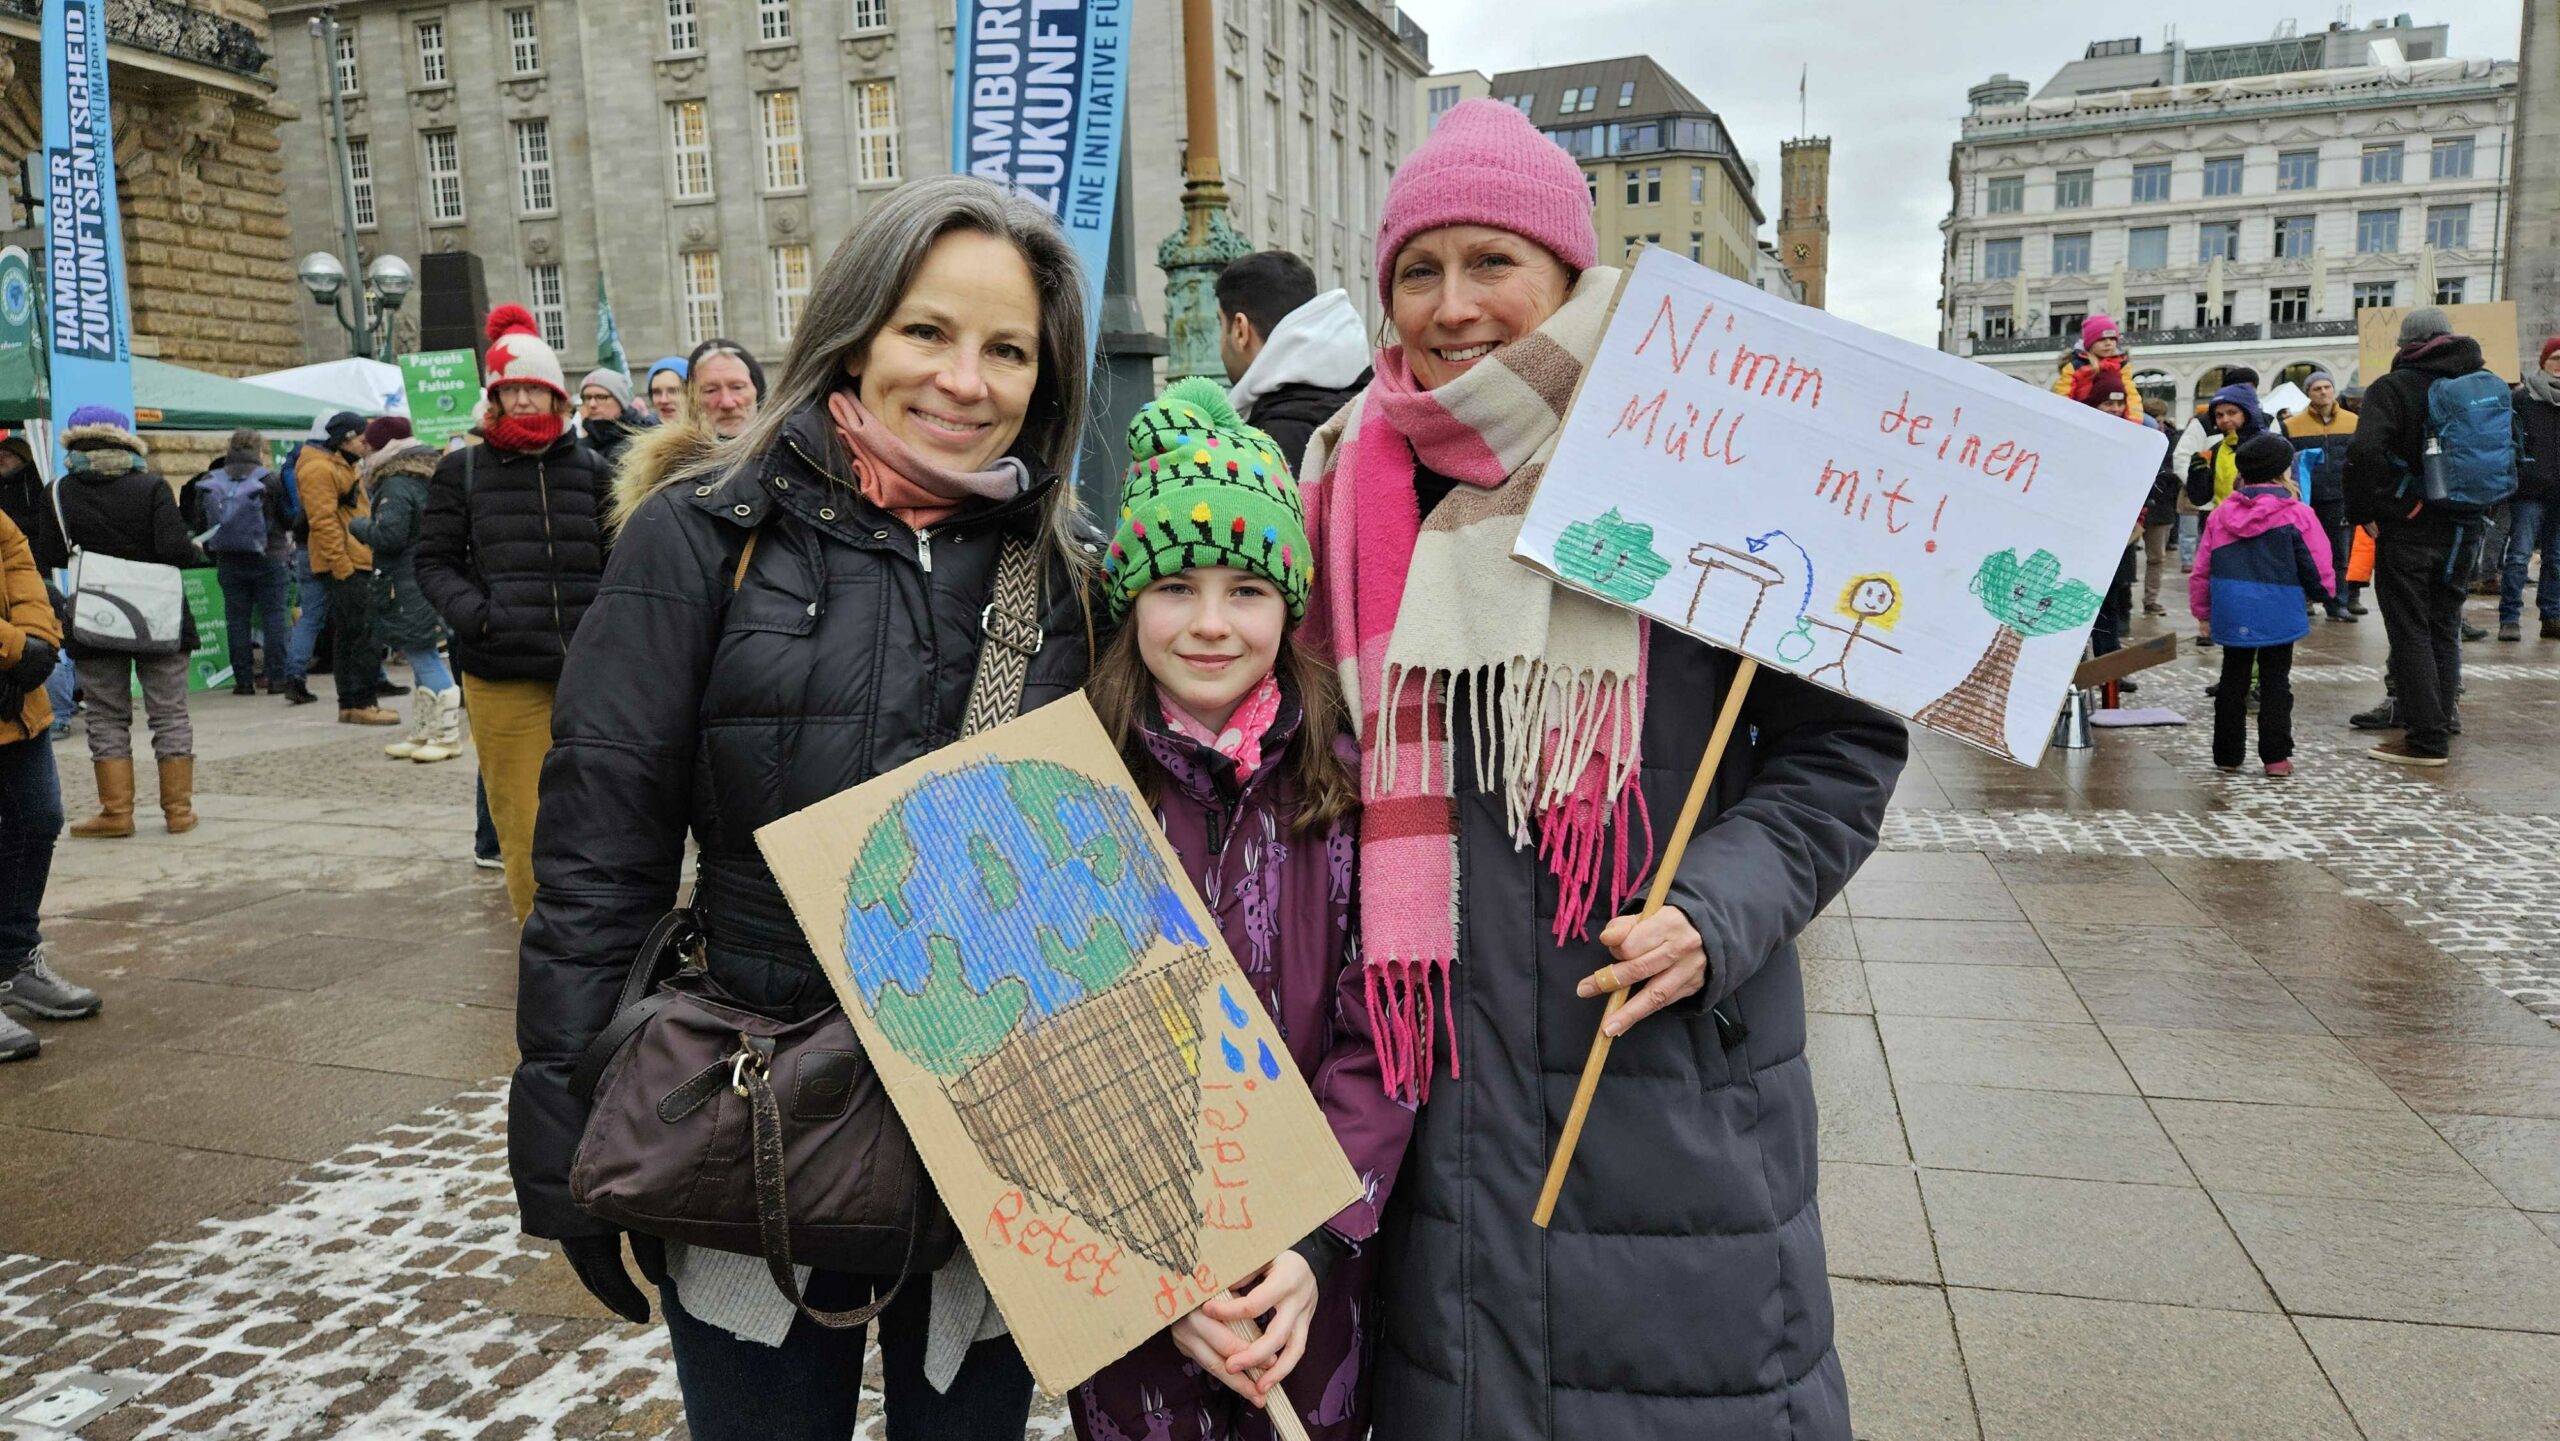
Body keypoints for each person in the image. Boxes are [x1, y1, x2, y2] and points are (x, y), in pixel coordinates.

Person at [1297, 99, 1906, 1440]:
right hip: (1431, 1096)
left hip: (1664, 1083)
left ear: (1570, 274)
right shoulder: (1344, 478)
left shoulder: (1705, 455)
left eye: (1492, 262)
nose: (1453, 306)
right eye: (1418, 268)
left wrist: (1716, 909)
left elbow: (1841, 745)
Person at [515, 175, 1100, 1441]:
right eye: (927, 332)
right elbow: (598, 864)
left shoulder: (1063, 574)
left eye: (1008, 351)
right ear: (855, 329)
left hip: (984, 1132)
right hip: (753, 1115)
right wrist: (564, 1136)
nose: (964, 380)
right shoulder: (697, 538)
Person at [1069, 380, 1411, 1440]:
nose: (1210, 624)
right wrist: (1153, 1273)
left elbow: (1382, 1035)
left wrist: (1314, 1246)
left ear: (1288, 604)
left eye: (1247, 590)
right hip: (1133, 1285)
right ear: (1132, 598)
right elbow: (1045, 1054)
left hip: (1307, 1283)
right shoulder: (1070, 787)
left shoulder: (1349, 791)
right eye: (1175, 586)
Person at [413, 305, 611, 922]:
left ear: (557, 396)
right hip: (503, 676)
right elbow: (434, 562)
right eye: (511, 388)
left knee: (598, 818)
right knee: (523, 822)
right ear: (494, 398)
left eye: (536, 387)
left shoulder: (594, 471)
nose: (524, 399)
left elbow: (620, 561)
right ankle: (544, 941)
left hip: (590, 676)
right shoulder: (462, 470)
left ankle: (601, 939)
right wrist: (480, 616)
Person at [2346, 306, 2510, 766]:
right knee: (2444, 626)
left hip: (2411, 527)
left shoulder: (2394, 387)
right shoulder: (2482, 382)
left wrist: (2375, 508)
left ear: (2405, 344)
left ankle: (2426, 740)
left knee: (2410, 631)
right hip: (2467, 525)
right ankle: (2444, 716)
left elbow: (2363, 452)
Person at [53, 407, 205, 837]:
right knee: (170, 713)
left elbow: (48, 554)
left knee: (105, 715)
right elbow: (176, 550)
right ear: (125, 439)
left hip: (95, 618)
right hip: (159, 616)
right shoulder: (152, 486)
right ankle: (178, 812)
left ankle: (117, 813)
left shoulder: (60, 491)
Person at [0, 505, 98, 1059]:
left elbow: (23, 573)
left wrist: (37, 647)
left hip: (16, 701)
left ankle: (13, 961)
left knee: (36, 820)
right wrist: (15, 651)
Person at [2191, 434, 2334, 777]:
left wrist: (2203, 612)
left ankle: (2227, 754)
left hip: (2233, 605)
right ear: (2283, 471)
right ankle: (2276, 757)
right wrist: (2324, 592)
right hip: (2279, 605)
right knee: (2275, 681)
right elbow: (2317, 560)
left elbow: (2202, 568)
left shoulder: (2221, 514)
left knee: (2232, 679)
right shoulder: (2298, 513)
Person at [350, 426, 462, 764]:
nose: (364, 451)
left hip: (406, 580)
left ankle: (446, 734)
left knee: (423, 654)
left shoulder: (396, 482)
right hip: (419, 576)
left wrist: (357, 526)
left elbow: (391, 535)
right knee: (418, 656)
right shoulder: (422, 474)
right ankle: (425, 730)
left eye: (369, 444)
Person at [282, 411, 397, 722]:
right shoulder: (319, 468)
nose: (365, 444)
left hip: (355, 556)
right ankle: (361, 702)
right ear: (346, 438)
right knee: (362, 633)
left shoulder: (338, 463)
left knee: (350, 633)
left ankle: (351, 703)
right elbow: (323, 523)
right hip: (347, 561)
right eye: (361, 438)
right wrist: (342, 565)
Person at [1217, 251, 1372, 473]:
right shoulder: (1369, 405)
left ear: (1240, 329)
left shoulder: (1262, 446)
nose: (1221, 342)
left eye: (1221, 325)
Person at [185, 428, 296, 694]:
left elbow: (200, 522)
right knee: (274, 617)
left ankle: (243, 681)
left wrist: (215, 552)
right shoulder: (269, 479)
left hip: (229, 559)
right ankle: (276, 678)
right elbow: (287, 517)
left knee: (236, 620)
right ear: (259, 450)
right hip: (270, 556)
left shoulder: (211, 479)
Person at [2182, 383, 2269, 648]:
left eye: (2232, 412)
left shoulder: (2266, 445)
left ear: (2247, 412)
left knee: (2255, 606)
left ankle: (2253, 679)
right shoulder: (2219, 448)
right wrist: (2197, 475)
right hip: (2224, 532)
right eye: (2219, 416)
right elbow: (2202, 498)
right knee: (2228, 601)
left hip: (2258, 533)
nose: (2225, 420)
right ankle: (2234, 674)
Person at [2, 434, 79, 734]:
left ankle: (59, 715)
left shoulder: (37, 485)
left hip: (35, 570)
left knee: (49, 642)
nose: (2, 461)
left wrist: (25, 654)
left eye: (7, 455)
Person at [2283, 371, 2359, 623]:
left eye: (2327, 387)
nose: (2323, 392)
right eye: (2317, 388)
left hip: (2339, 495)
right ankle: (2304, 598)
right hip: (2305, 498)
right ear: (2308, 393)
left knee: (2339, 552)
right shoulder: (2293, 425)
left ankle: (2338, 602)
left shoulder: (2353, 421)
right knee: (2303, 550)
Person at [2500, 337, 2560, 641]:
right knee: (2520, 555)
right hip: (2529, 490)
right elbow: (2507, 439)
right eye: (2556, 358)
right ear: (2544, 361)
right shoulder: (2523, 399)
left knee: (2556, 557)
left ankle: (2552, 615)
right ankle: (2509, 617)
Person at [2139, 398, 2181, 615]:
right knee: (2122, 558)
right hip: (2137, 505)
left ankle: (2150, 599)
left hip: (2162, 504)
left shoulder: (2172, 438)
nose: (2157, 423)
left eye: (2159, 418)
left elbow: (2178, 467)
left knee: (2156, 557)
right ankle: (2121, 603)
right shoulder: (2136, 433)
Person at [687, 338, 765, 442]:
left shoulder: (789, 451)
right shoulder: (672, 457)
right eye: (711, 390)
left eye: (737, 387)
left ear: (757, 392)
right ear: (693, 399)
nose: (727, 403)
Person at [578, 368, 648, 468]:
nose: (592, 404)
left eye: (601, 397)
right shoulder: (579, 447)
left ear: (620, 401)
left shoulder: (641, 443)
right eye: (587, 398)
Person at [2050, 313, 2126, 400]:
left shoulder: (2121, 364)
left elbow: (2131, 395)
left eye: (2112, 339)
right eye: (2102, 339)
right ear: (2090, 343)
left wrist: (2134, 414)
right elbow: (2063, 395)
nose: (2108, 343)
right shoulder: (2075, 365)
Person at [644, 357, 689, 425]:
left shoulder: (709, 433)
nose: (663, 400)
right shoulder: (640, 433)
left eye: (673, 391)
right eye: (657, 392)